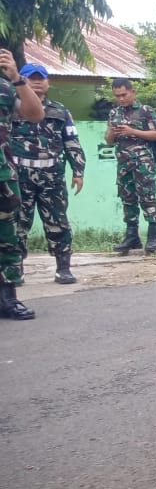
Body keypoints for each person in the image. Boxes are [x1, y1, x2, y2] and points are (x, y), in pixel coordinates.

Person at [10, 63, 86, 285]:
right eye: (31, 77)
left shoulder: (60, 111)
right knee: (16, 224)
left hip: (51, 175)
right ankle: (15, 270)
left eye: (41, 78)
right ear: (20, 80)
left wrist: (78, 171)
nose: (36, 81)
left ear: (48, 82)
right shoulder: (9, 108)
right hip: (18, 174)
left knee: (58, 222)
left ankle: (63, 268)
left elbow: (71, 142)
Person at [0, 48, 48, 319]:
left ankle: (8, 299)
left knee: (7, 237)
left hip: (3, 174)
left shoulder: (6, 88)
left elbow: (35, 114)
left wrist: (18, 78)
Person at [105, 78, 156, 254]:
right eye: (117, 96)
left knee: (147, 196)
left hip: (143, 162)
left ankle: (153, 236)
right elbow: (108, 141)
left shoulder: (146, 111)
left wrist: (132, 131)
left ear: (133, 92)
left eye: (123, 95)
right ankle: (132, 236)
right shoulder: (114, 113)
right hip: (123, 162)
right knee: (127, 198)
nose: (121, 99)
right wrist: (112, 132)